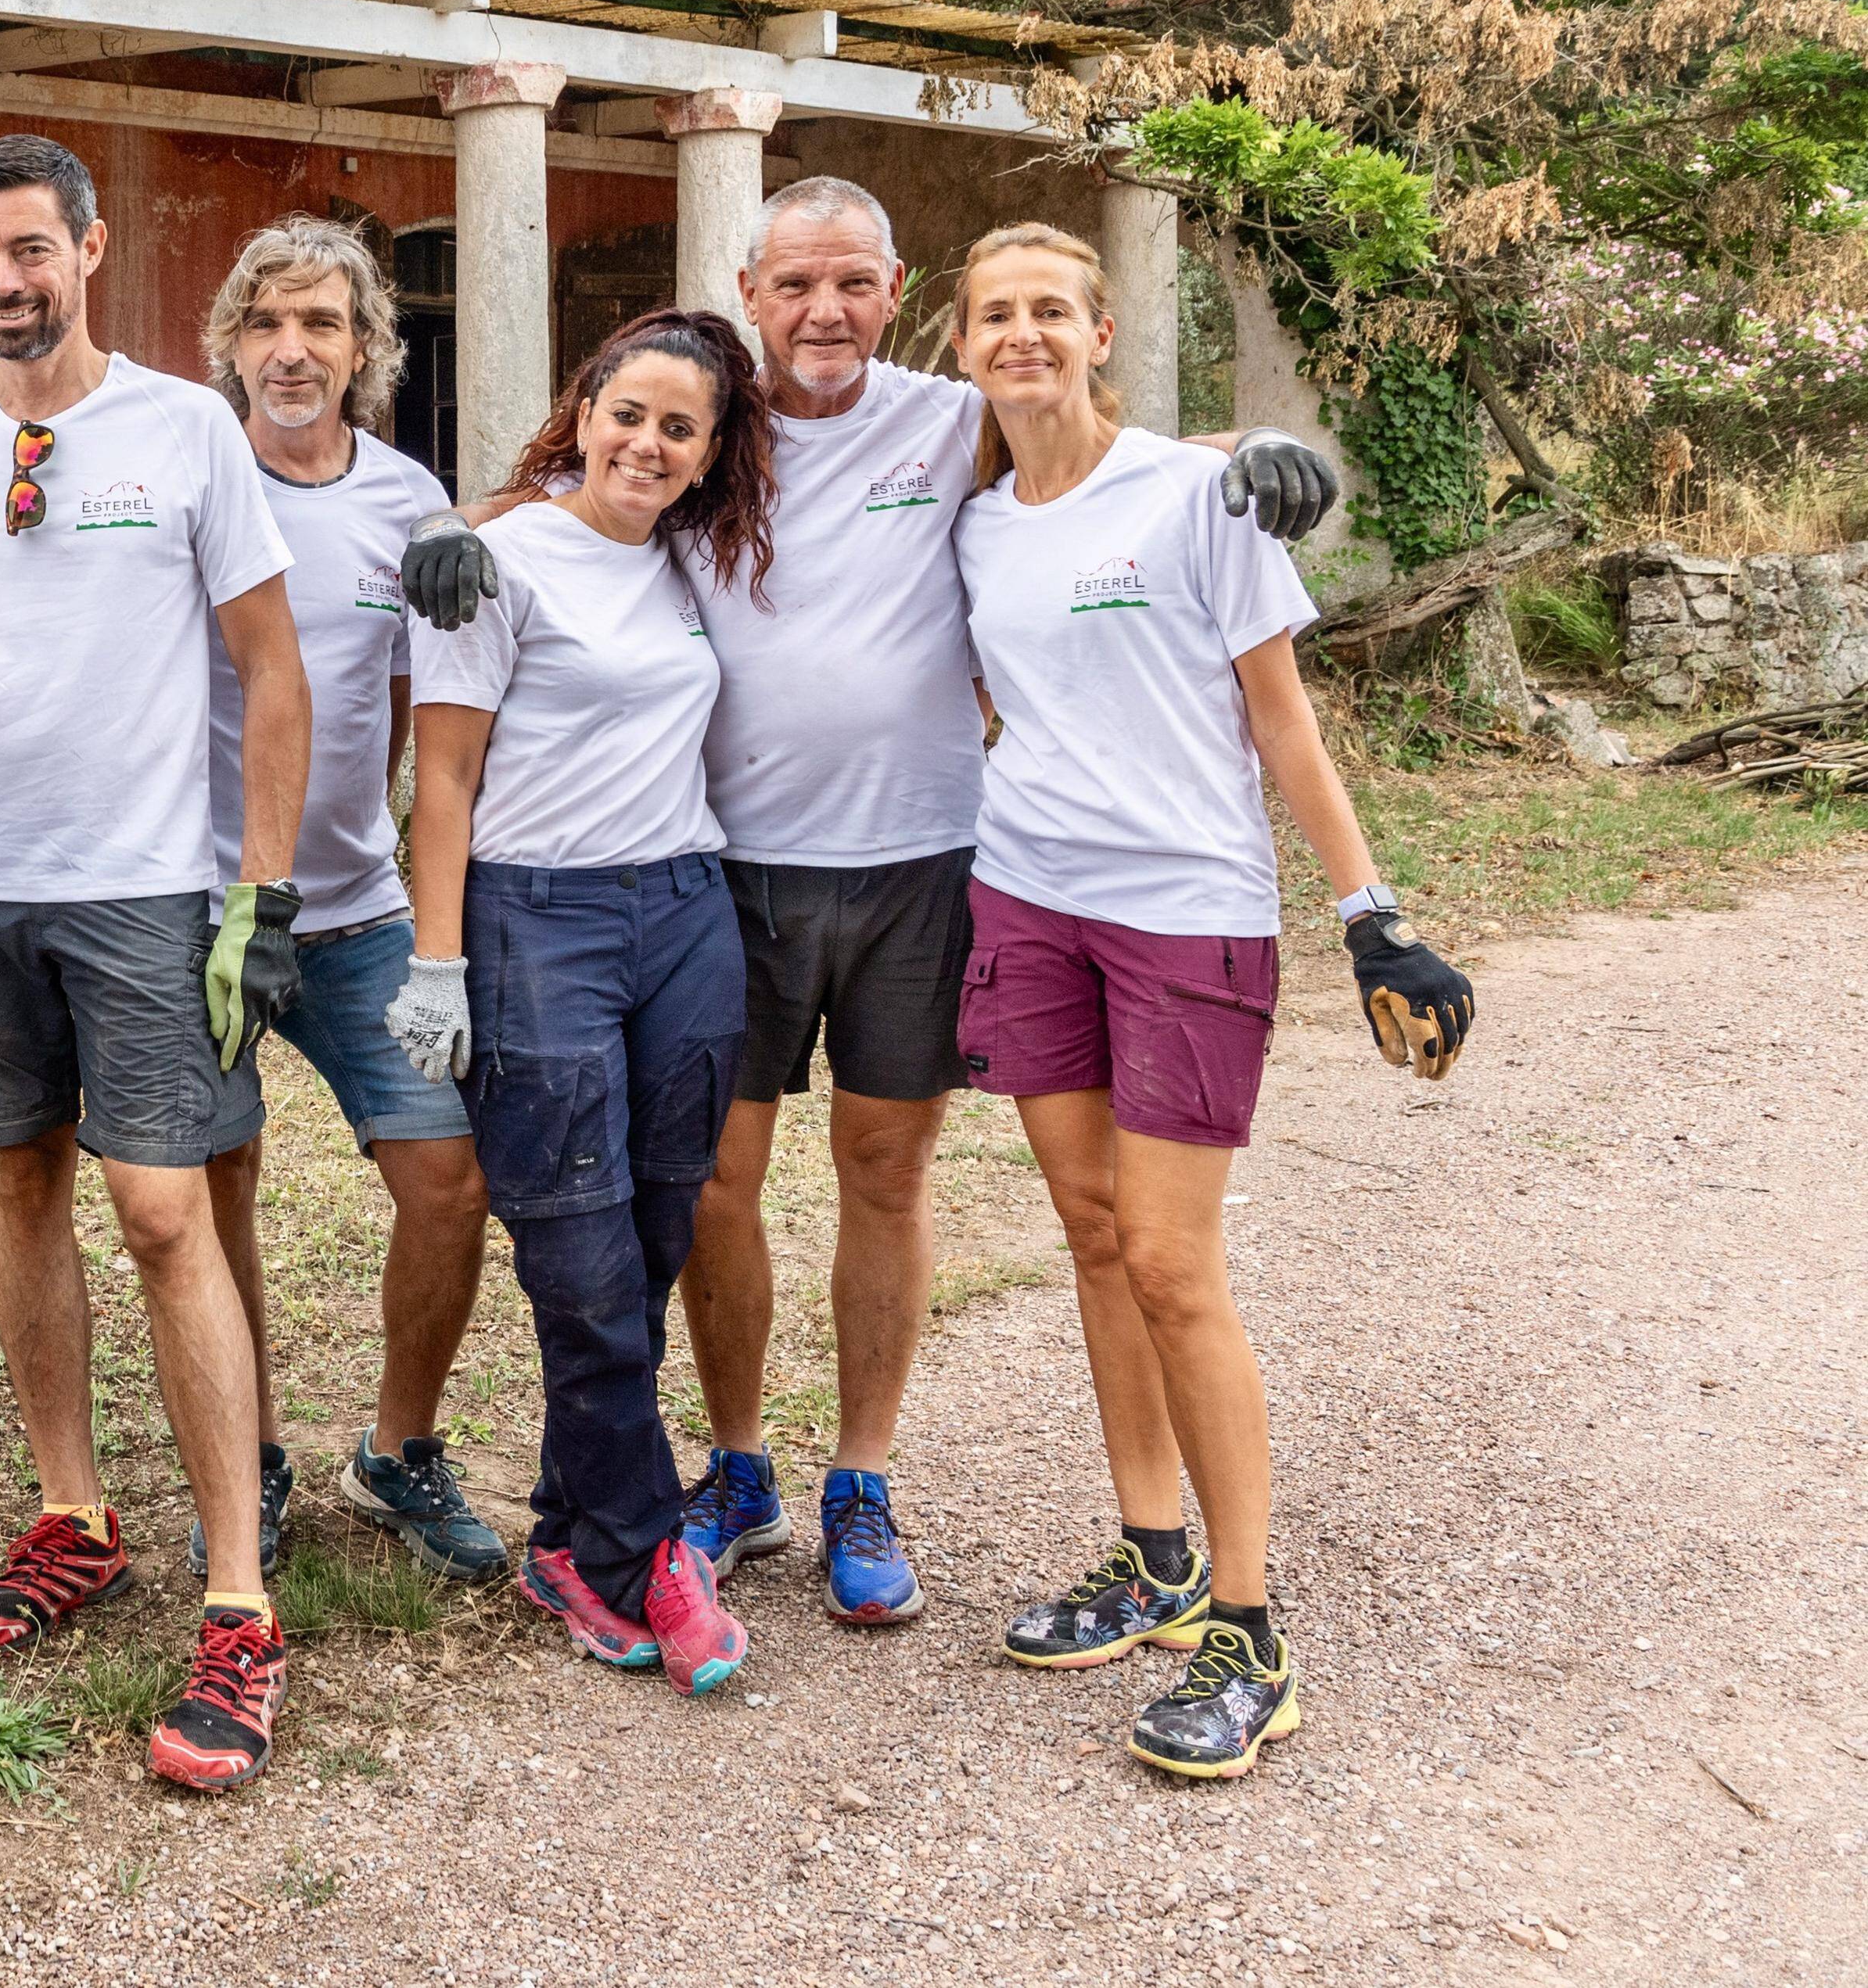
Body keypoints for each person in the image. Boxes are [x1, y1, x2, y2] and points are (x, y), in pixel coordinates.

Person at [401, 177, 1339, 1631]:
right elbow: (596, 485)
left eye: (852, 284)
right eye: (794, 285)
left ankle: (862, 1474)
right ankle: (738, 1464)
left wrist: (1251, 446)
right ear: (749, 286)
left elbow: (1094, 444)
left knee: (885, 1173)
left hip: (925, 862)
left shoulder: (946, 412)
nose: (823, 312)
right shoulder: (715, 424)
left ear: (897, 292)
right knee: (721, 1179)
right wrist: (466, 522)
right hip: (734, 870)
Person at [946, 221, 1474, 1779]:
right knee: (1096, 1235)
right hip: (1028, 904)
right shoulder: (978, 525)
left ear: (1102, 330)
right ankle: (1153, 1553)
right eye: (994, 314)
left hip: (1185, 916)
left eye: (1051, 309)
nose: (1023, 333)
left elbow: (1280, 717)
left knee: (1174, 1262)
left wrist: (1370, 914)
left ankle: (1249, 1627)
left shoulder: (1198, 494)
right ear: (964, 343)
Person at [0, 132, 316, 1792]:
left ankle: (239, 1596)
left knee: (162, 1207)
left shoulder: (186, 429)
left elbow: (272, 669)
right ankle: (72, 1512)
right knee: (18, 1182)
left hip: (139, 889)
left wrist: (259, 894)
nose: (3, 282)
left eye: (30, 249)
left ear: (90, 248)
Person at [385, 307, 775, 1699]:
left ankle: (568, 1532)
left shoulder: (689, 562)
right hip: (534, 918)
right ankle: (648, 1545)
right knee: (579, 1251)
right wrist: (439, 962)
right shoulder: (493, 558)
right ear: (584, 409)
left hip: (682, 911)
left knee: (667, 1219)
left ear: (711, 451)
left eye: (681, 428)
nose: (649, 444)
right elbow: (442, 778)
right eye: (630, 415)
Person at [194, 214, 508, 1585]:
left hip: (356, 904)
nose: (291, 348)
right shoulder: (193, 475)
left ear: (367, 347)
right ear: (232, 347)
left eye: (322, 323)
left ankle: (398, 1450)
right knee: (218, 1188)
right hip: (193, 908)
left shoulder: (405, 499)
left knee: (448, 1177)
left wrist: (469, 522)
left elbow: (397, 699)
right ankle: (247, 1451)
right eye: (266, 323)